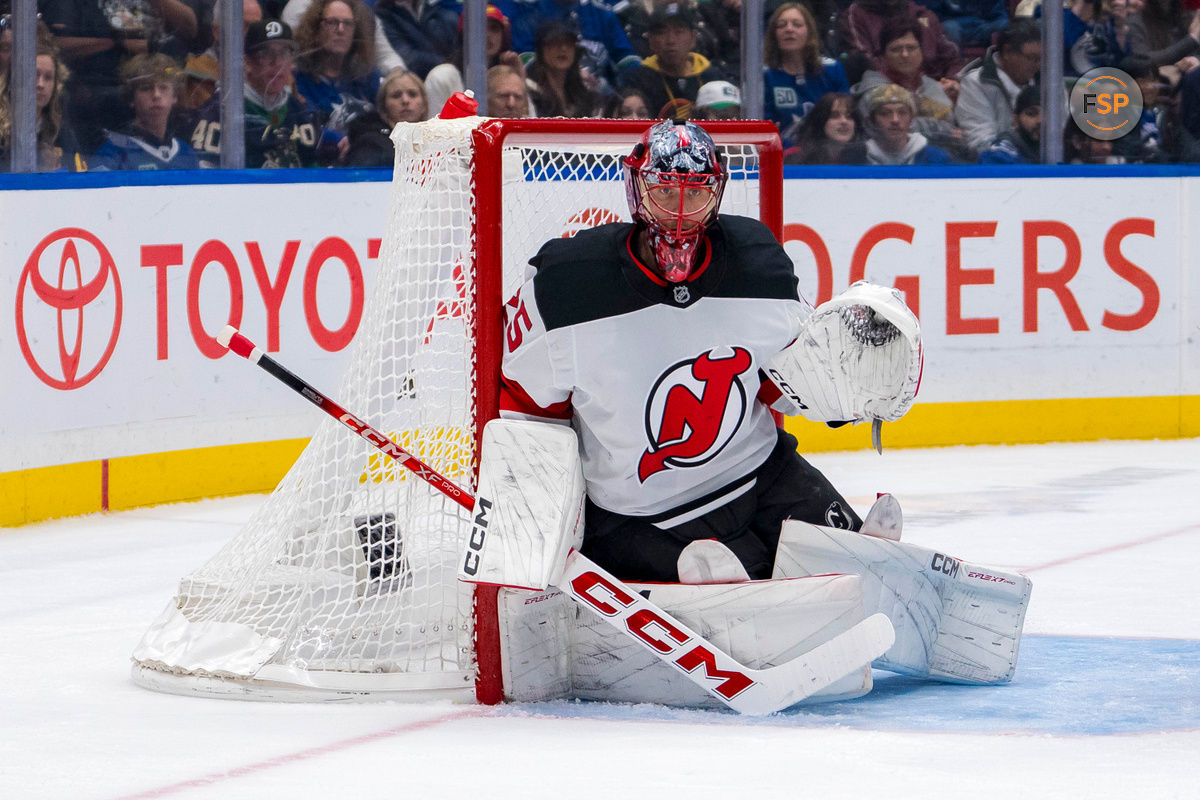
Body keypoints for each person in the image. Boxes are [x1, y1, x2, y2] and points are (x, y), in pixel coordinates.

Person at [497, 118, 900, 583]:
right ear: (636, 189)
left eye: (697, 191)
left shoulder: (759, 264)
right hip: (639, 513)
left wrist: (841, 392)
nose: (681, 210)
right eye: (665, 190)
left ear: (718, 193)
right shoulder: (567, 286)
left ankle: (849, 563)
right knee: (733, 585)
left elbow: (783, 383)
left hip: (764, 476)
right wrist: (539, 522)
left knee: (859, 570)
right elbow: (528, 412)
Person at [189, 18, 325, 167]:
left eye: (284, 53)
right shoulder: (219, 112)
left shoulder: (301, 113)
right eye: (266, 54)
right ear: (247, 63)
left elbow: (314, 173)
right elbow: (205, 180)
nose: (277, 62)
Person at [852, 18, 964, 156]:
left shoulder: (932, 86)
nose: (905, 55)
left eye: (911, 48)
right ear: (883, 57)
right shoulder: (873, 91)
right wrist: (944, 130)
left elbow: (956, 129)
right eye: (896, 49)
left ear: (922, 52)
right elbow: (892, 131)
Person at [293, 0, 381, 163]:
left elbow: (380, 123)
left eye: (347, 24)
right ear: (316, 28)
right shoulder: (299, 77)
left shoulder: (368, 75)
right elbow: (305, 126)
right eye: (332, 22)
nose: (341, 30)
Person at [90, 52, 201, 169]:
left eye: (163, 87)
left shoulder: (186, 153)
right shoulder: (112, 153)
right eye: (146, 88)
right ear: (131, 98)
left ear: (175, 96)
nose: (156, 95)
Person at [762, 2, 850, 148]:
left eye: (797, 24)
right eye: (781, 25)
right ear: (773, 34)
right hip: (782, 157)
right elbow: (766, 130)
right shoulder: (765, 76)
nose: (789, 29)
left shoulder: (833, 69)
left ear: (809, 32)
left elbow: (847, 115)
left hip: (829, 153)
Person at [619, 3, 727, 121]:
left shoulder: (712, 77)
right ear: (651, 40)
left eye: (679, 31)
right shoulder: (636, 79)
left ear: (693, 38)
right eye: (662, 32)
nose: (671, 40)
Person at [955, 18, 1042, 155]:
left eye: (1041, 58)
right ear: (1007, 52)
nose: (1038, 65)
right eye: (1032, 58)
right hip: (1001, 168)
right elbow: (981, 143)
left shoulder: (1050, 82)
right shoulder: (976, 83)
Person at [424, 4, 525, 118]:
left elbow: (529, 122)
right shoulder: (442, 77)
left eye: (494, 28)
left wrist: (519, 76)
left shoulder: (510, 78)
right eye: (479, 28)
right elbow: (433, 130)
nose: (487, 35)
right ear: (464, 35)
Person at [0, 38, 85, 171]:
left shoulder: (61, 131)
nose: (41, 84)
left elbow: (78, 177)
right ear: (12, 81)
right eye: (34, 75)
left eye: (48, 78)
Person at [839, 0, 965, 81]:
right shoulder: (856, 15)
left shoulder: (922, 15)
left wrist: (951, 80)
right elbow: (863, 60)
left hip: (934, 88)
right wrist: (909, 79)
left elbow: (951, 57)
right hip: (886, 88)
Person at [345, 66, 427, 166]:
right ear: (383, 107)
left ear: (424, 105)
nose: (405, 100)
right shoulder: (370, 144)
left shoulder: (439, 143)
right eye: (396, 96)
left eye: (412, 94)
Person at [527, 19, 610, 117]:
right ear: (542, 49)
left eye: (569, 42)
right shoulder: (529, 91)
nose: (563, 48)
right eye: (555, 42)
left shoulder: (582, 92)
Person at [862, 82, 954, 164]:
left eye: (902, 112)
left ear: (911, 118)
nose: (895, 120)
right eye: (885, 113)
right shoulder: (859, 157)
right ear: (871, 120)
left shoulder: (936, 158)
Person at [372, 0, 459, 80]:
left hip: (446, 75)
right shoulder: (383, 16)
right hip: (415, 81)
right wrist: (447, 64)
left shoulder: (435, 10)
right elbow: (409, 57)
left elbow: (451, 46)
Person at [785, 91, 870, 164]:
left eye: (849, 116)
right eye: (834, 116)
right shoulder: (794, 157)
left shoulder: (862, 159)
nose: (844, 121)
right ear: (821, 121)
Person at [976, 83, 1041, 163]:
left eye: (1050, 115)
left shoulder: (1057, 149)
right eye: (1031, 113)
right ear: (1015, 119)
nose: (1040, 120)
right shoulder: (1003, 153)